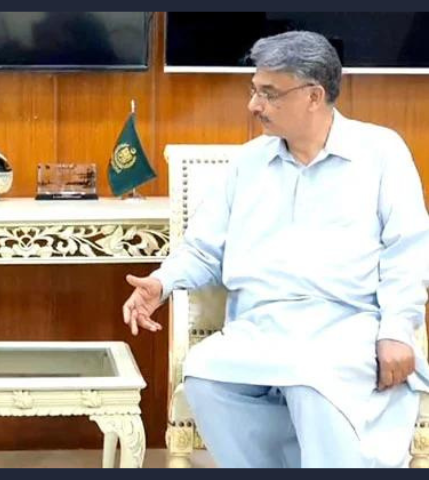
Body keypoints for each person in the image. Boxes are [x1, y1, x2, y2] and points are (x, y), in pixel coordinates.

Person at [122, 31, 429, 468]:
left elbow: (409, 252)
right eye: (254, 90)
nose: (254, 105)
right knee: (205, 373)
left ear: (313, 96)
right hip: (260, 325)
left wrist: (396, 329)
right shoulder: (247, 163)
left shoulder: (381, 152)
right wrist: (161, 282)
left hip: (348, 324)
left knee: (311, 378)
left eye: (269, 93)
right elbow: (203, 249)